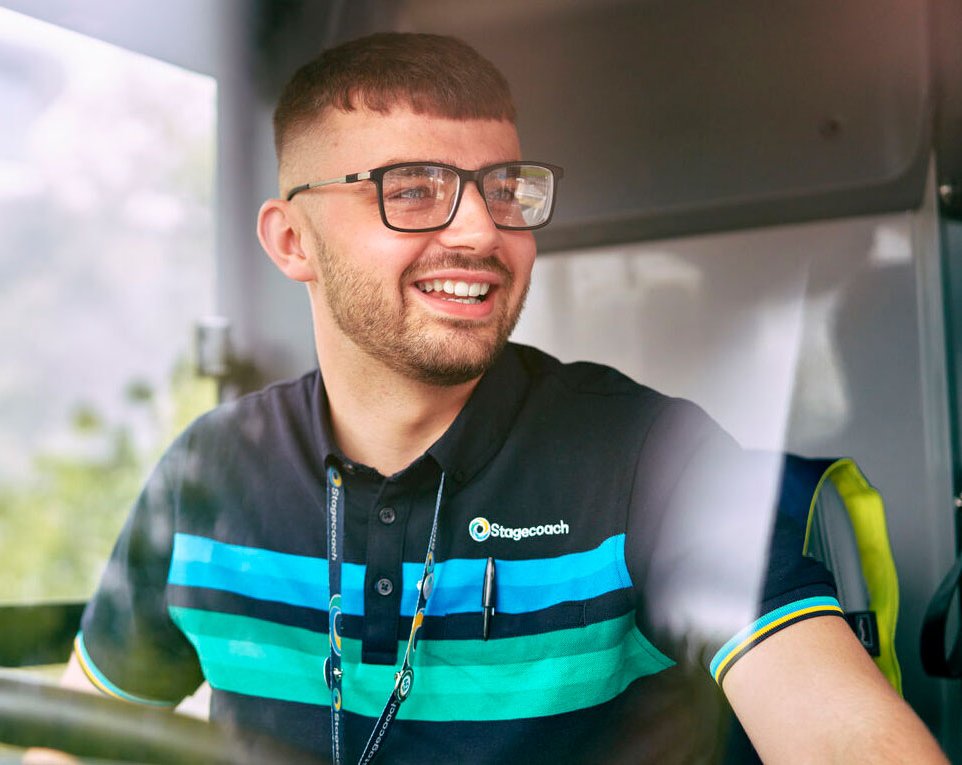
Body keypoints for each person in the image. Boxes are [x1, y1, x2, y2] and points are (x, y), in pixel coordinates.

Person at [59, 32, 946, 763]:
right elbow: (72, 740)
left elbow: (846, 737)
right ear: (292, 240)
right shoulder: (209, 471)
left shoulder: (651, 456)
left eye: (504, 189)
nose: (483, 230)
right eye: (413, 191)